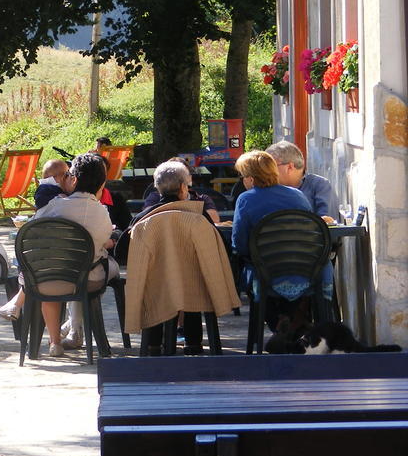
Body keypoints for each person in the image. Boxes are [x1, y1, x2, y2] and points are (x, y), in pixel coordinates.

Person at [0, 153, 118, 356]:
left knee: (56, 272)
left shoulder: (53, 206)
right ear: (101, 183)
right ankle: (76, 329)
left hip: (48, 278)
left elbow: (32, 231)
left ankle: (54, 341)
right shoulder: (102, 213)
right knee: (100, 262)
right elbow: (104, 240)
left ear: (74, 179)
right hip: (87, 279)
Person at [231, 150, 332, 328]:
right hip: (305, 270)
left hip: (266, 273)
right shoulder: (297, 195)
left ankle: (278, 324)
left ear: (251, 179)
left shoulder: (245, 199)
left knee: (246, 270)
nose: (242, 180)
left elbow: (240, 245)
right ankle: (292, 323)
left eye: (242, 176)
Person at [127, 161, 216, 354]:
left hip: (155, 284)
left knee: (154, 284)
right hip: (194, 286)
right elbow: (218, 247)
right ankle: (193, 344)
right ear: (184, 187)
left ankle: (153, 345)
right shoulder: (199, 215)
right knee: (193, 280)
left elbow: (123, 250)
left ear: (157, 188)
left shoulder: (143, 217)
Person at [265, 141, 338, 222]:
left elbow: (328, 224)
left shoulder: (320, 185)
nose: (267, 171)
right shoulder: (267, 188)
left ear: (289, 167)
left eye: (272, 166)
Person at [139, 158, 221, 224]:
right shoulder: (155, 197)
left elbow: (214, 219)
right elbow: (147, 217)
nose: (172, 181)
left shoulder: (201, 198)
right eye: (168, 176)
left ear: (190, 178)